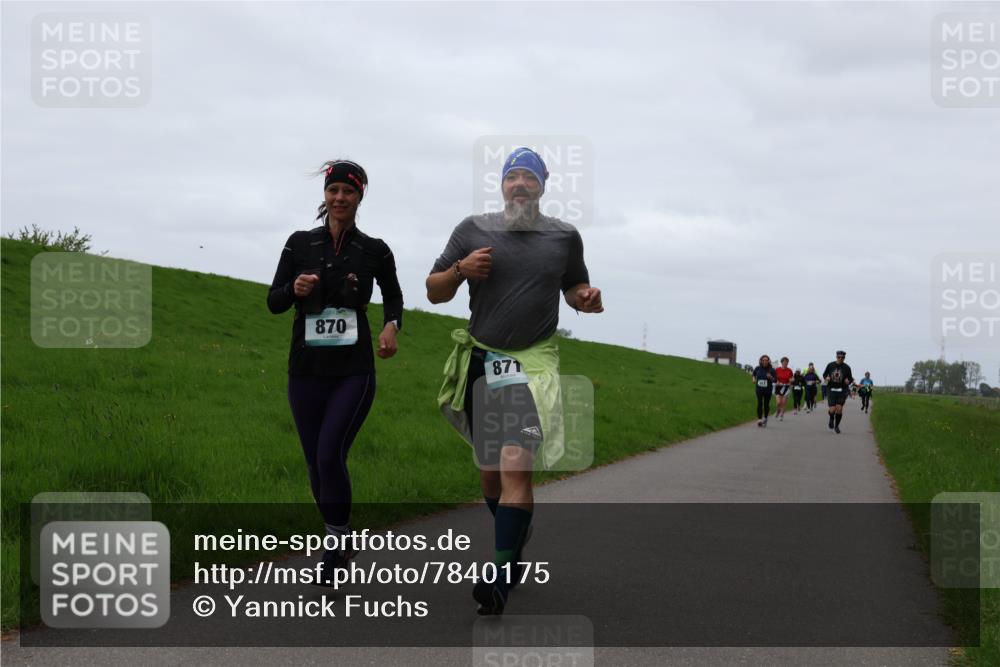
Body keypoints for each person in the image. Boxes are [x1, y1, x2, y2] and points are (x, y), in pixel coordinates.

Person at [427, 147, 602, 615]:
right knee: (490, 472)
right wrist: (461, 270)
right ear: (502, 185)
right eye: (512, 177)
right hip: (484, 359)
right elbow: (434, 290)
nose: (520, 184)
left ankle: (499, 578)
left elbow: (574, 286)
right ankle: (516, 534)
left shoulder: (564, 237)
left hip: (533, 363)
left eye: (529, 177)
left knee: (514, 461)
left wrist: (584, 297)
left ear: (543, 186)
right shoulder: (471, 230)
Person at [267, 159, 403, 582]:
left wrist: (391, 326)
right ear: (325, 195)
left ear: (360, 197)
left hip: (353, 371)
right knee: (315, 462)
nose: (340, 198)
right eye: (334, 190)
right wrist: (294, 289)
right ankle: (340, 537)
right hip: (305, 368)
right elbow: (274, 301)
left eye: (348, 191)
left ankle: (335, 547)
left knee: (330, 454)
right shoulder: (299, 243)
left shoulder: (375, 249)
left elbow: (394, 297)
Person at [823, 350, 855, 434]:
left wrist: (848, 381)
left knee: (839, 408)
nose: (840, 359)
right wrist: (826, 378)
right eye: (839, 357)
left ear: (844, 358)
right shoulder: (830, 365)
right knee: (832, 410)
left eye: (842, 357)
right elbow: (824, 374)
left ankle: (836, 426)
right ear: (836, 357)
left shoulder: (847, 367)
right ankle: (831, 418)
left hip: (842, 390)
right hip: (831, 389)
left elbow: (850, 378)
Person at [751, 355, 777, 427]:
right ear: (761, 361)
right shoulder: (758, 368)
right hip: (759, 389)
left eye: (766, 360)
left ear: (768, 361)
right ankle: (759, 419)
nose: (765, 362)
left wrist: (770, 377)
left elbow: (775, 380)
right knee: (759, 403)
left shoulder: (772, 370)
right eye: (763, 360)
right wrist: (753, 379)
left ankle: (765, 418)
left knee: (766, 404)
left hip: (768, 390)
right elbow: (753, 374)